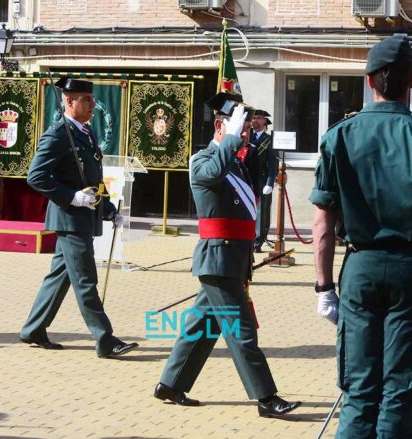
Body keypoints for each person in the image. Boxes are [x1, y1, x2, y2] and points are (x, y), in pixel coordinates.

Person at [154, 92, 301, 417]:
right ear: (221, 126)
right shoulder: (203, 160)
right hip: (218, 260)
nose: (245, 134)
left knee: (200, 328)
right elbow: (213, 174)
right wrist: (231, 139)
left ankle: (171, 383)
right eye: (240, 128)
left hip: (232, 260)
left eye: (246, 129)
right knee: (242, 332)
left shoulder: (234, 161)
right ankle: (266, 398)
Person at [310, 34, 412, 438]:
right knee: (400, 389)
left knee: (358, 387)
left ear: (370, 81)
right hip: (408, 269)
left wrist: (323, 287)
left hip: (361, 268)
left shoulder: (340, 135)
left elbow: (321, 225)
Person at [20, 77, 138, 358]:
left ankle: (33, 329)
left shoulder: (85, 133)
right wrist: (72, 196)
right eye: (86, 100)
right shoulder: (58, 135)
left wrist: (108, 209)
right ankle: (105, 339)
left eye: (92, 99)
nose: (92, 105)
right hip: (69, 218)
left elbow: (93, 177)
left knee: (58, 277)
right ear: (68, 102)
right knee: (86, 280)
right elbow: (35, 176)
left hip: (83, 217)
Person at [248, 110, 278, 252]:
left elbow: (273, 163)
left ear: (265, 122)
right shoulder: (247, 136)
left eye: (259, 118)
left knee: (262, 211)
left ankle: (258, 240)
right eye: (254, 118)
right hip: (248, 178)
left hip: (262, 178)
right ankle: (249, 237)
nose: (255, 120)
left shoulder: (269, 139)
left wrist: (270, 182)